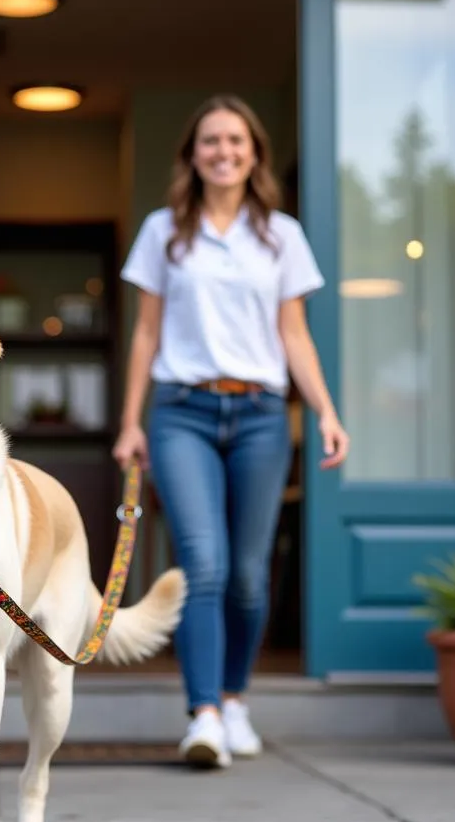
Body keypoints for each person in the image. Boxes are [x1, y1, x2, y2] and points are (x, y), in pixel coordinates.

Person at [113, 94, 349, 769]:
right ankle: (204, 714)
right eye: (210, 141)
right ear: (192, 153)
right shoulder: (164, 232)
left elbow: (294, 334)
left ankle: (235, 696)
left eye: (236, 141)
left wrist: (326, 410)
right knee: (204, 564)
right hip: (181, 411)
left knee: (248, 575)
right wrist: (131, 421)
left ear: (254, 154)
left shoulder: (281, 235)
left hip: (261, 417)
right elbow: (147, 332)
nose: (223, 152)